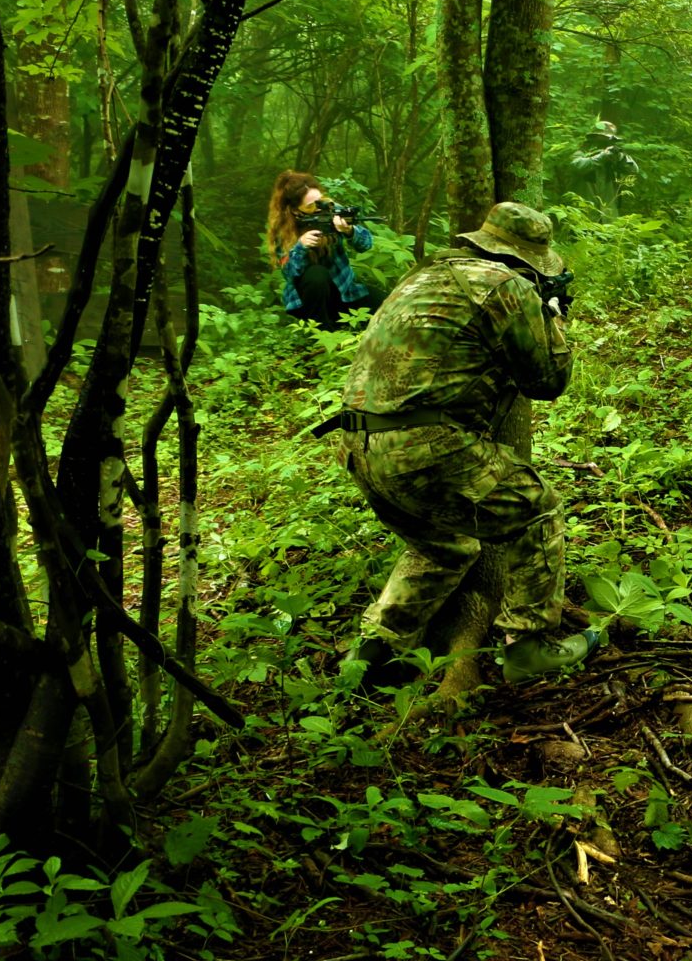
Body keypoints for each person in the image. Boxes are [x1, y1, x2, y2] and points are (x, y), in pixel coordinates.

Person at [317, 201, 594, 689]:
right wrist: (552, 314)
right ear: (526, 260)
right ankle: (529, 647)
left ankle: (372, 657)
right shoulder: (504, 285)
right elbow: (550, 380)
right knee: (536, 511)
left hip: (356, 442)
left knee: (442, 544)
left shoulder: (426, 276)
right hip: (424, 444)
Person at [266, 169, 375, 326]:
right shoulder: (284, 228)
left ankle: (337, 321)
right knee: (316, 275)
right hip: (307, 301)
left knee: (388, 307)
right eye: (311, 205)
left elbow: (366, 244)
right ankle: (320, 332)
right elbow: (289, 273)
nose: (319, 207)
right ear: (296, 210)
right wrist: (301, 247)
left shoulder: (332, 209)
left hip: (345, 292)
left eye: (320, 200)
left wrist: (349, 231)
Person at [561, 120, 640, 216]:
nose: (607, 143)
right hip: (583, 215)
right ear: (593, 138)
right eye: (604, 139)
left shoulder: (611, 160)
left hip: (607, 215)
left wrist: (621, 157)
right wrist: (602, 156)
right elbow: (578, 166)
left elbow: (633, 170)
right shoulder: (580, 154)